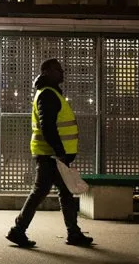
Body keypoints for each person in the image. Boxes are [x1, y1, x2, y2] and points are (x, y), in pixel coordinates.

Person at [7, 58, 94, 248]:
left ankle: (73, 232)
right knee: (43, 192)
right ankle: (18, 230)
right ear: (46, 72)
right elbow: (48, 127)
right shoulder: (48, 95)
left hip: (53, 155)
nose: (62, 72)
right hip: (51, 156)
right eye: (57, 69)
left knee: (63, 192)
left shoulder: (49, 93)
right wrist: (60, 152)